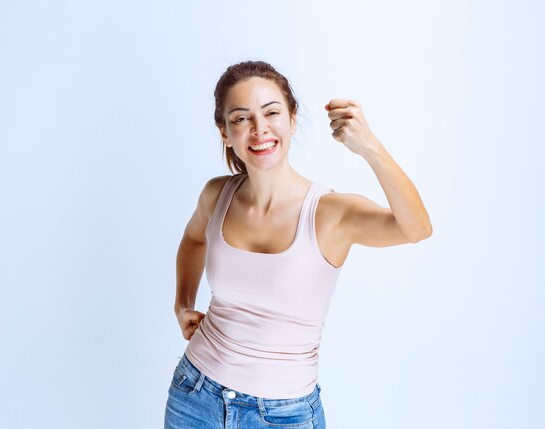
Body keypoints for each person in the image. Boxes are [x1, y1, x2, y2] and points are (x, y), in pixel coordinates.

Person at [164, 60, 432, 428]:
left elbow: (416, 228)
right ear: (225, 132)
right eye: (241, 119)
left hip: (283, 415)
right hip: (195, 396)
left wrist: (370, 146)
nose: (259, 130)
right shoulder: (216, 195)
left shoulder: (330, 213)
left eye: (271, 112)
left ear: (292, 119)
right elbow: (193, 240)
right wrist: (182, 305)